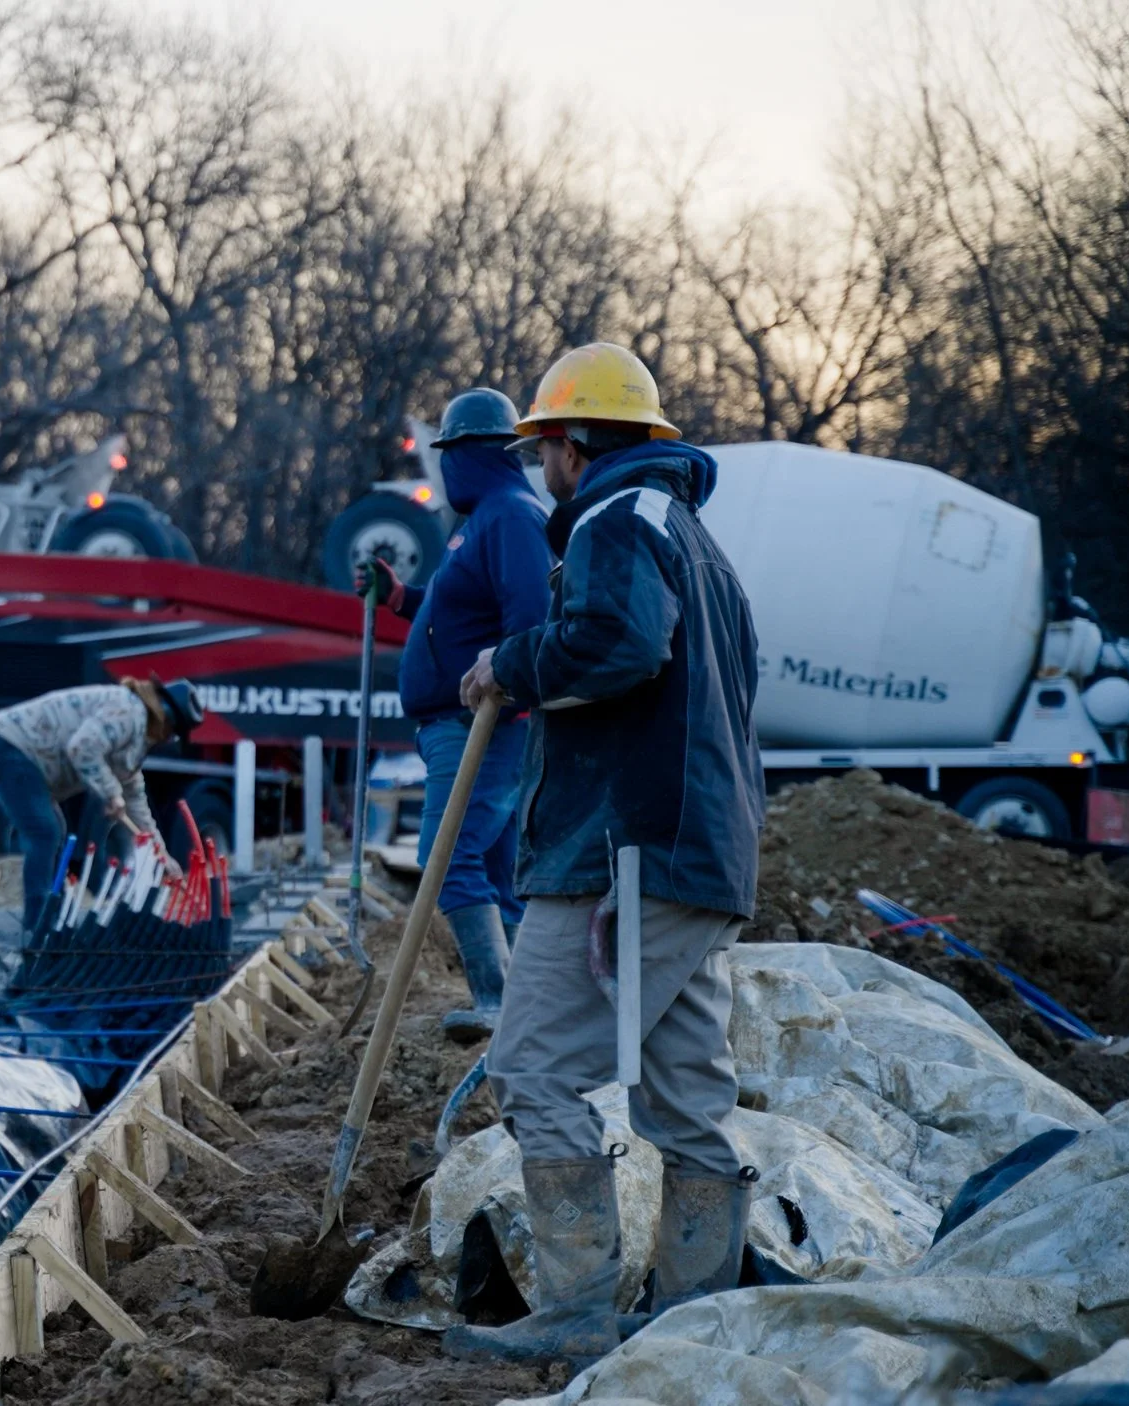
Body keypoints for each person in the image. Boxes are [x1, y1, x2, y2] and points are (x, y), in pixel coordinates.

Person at [444, 343, 763, 1366]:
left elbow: (620, 645)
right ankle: (691, 1321)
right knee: (684, 1097)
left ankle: (579, 1304)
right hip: (697, 855)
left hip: (621, 852)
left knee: (532, 1066)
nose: (541, 467)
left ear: (573, 445)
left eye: (545, 448)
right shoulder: (695, 538)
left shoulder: (617, 519)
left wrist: (510, 661)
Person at [357, 388, 552, 1041]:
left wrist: (510, 700)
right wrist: (400, 597)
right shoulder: (479, 522)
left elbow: (528, 619)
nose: (442, 472)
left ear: (474, 453)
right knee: (494, 869)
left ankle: (500, 1004)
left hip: (480, 725)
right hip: (464, 723)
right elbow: (458, 616)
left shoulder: (511, 516)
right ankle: (532, 1005)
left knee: (450, 861)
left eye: (447, 457)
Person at [0, 678, 203, 931]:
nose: (169, 739)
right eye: (172, 732)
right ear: (166, 719)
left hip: (24, 757)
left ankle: (54, 918)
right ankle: (38, 926)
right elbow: (82, 747)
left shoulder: (134, 741)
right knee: (45, 832)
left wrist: (163, 856)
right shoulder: (129, 712)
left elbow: (136, 803)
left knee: (54, 832)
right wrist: (111, 793)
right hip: (10, 747)